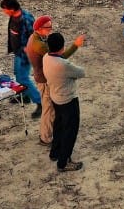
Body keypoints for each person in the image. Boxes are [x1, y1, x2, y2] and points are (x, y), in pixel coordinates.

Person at [25, 15, 85, 147]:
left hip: (41, 77)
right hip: (44, 80)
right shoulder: (40, 46)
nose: (50, 30)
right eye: (48, 28)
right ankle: (46, 138)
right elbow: (59, 56)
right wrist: (76, 45)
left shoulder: (34, 38)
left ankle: (47, 135)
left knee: (49, 109)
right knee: (49, 110)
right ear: (40, 29)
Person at [43, 33, 86, 172]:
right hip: (68, 99)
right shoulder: (63, 65)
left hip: (55, 97)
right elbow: (81, 72)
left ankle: (55, 152)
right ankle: (63, 162)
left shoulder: (46, 58)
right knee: (70, 131)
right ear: (62, 47)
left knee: (59, 125)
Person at [0, 0, 42, 119]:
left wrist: (29, 49)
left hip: (25, 55)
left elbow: (35, 36)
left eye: (5, 9)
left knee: (23, 78)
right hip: (18, 52)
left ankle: (40, 102)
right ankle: (25, 95)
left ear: (12, 9)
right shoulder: (13, 17)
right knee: (17, 74)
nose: (4, 12)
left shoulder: (26, 19)